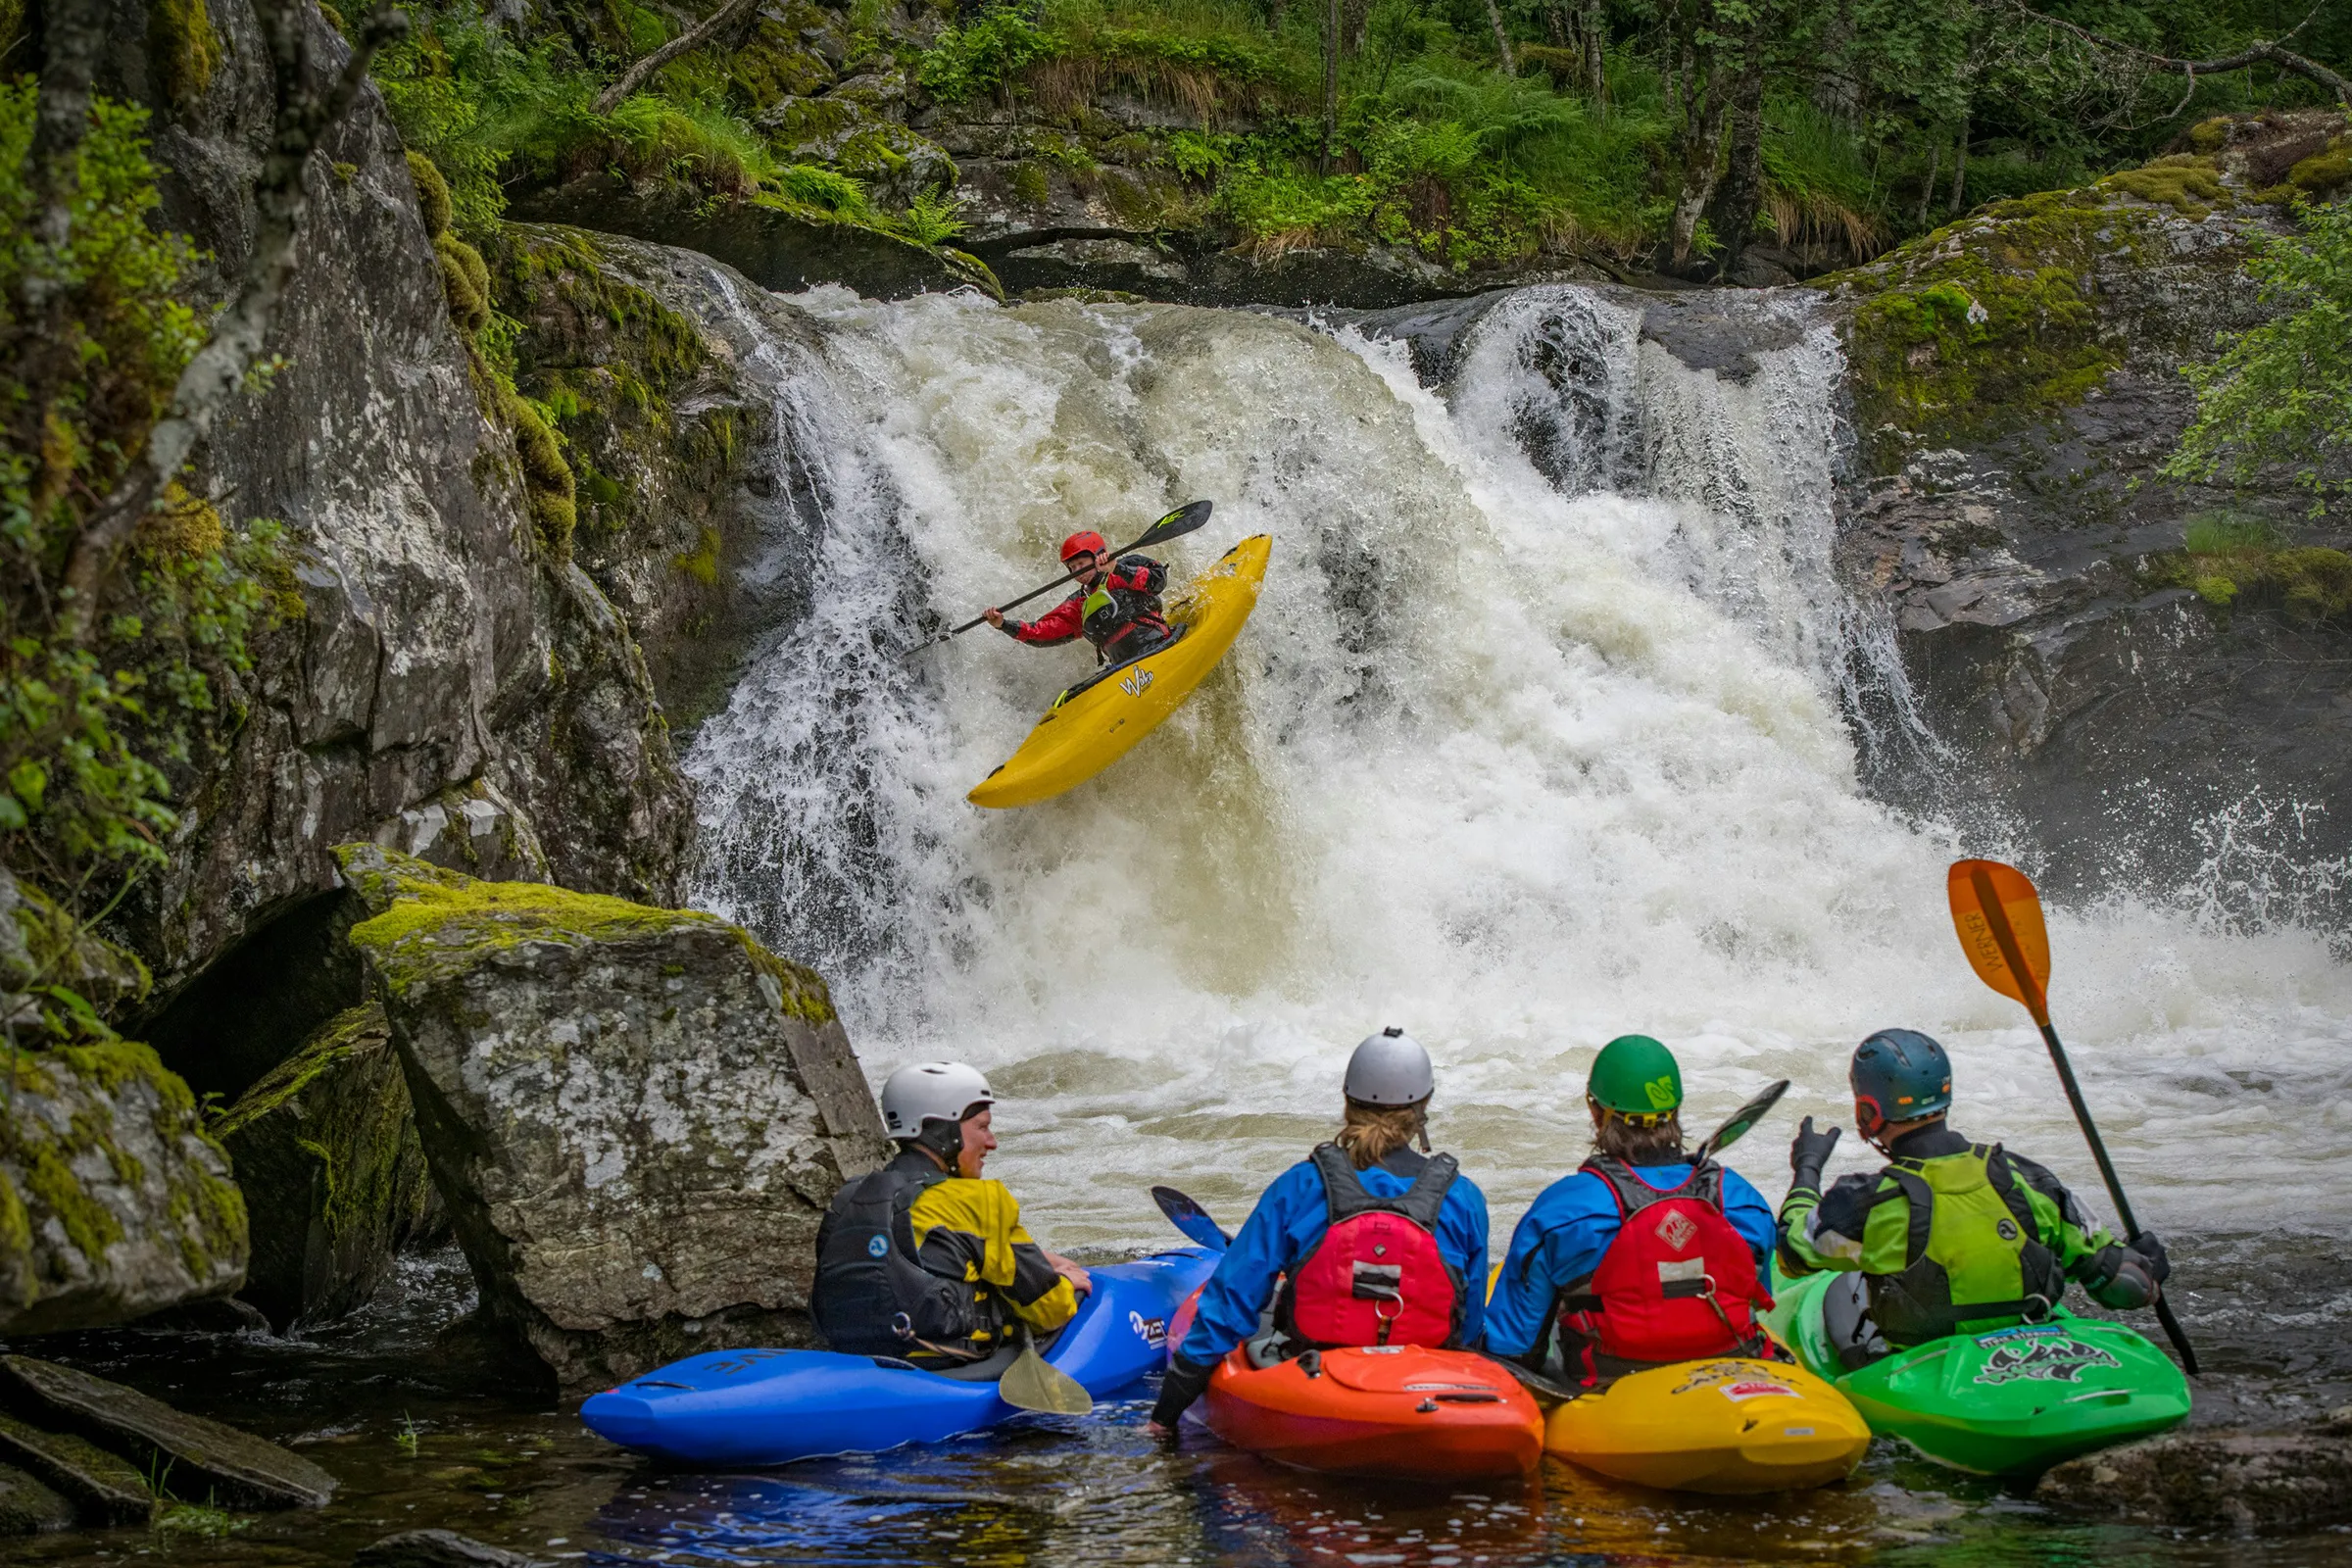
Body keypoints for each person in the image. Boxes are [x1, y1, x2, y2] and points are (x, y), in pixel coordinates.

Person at [1150, 1028, 1490, 1435]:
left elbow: (1230, 1304)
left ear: (1347, 1101)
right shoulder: (1464, 1196)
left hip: (1315, 1374)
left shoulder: (1300, 1186)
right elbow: (1468, 1326)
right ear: (1423, 1107)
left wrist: (1164, 1416)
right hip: (1423, 1384)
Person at [1776, 1028, 2171, 1363]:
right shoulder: (2023, 1176)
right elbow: (2125, 1286)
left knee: (1845, 1290)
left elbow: (1791, 1255)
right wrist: (2146, 1262)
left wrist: (1807, 1168)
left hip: (1929, 1365)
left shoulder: (1867, 1201)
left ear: (1867, 1113)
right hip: (2034, 1351)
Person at [1482, 1035, 1778, 1384]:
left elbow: (1514, 1350)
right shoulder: (1741, 1201)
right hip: (1730, 1371)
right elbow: (1758, 1299)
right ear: (1676, 1111)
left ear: (1596, 1112)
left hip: (1609, 1385)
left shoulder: (1563, 1212)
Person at [810, 1061, 1092, 1364]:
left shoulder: (850, 1195)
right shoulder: (979, 1199)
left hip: (853, 1361)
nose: (991, 1142)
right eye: (982, 1127)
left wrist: (1040, 1258)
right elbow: (1049, 1310)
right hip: (945, 1365)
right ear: (944, 1131)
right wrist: (1065, 1283)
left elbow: (912, 1253)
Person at [983, 530, 1172, 664]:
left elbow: (1157, 581)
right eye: (1072, 568)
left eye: (1081, 564)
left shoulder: (1124, 568)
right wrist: (1003, 624)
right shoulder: (1079, 604)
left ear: (1098, 556)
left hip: (1159, 644)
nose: (1077, 572)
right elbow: (1040, 633)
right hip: (1125, 665)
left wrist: (1118, 568)